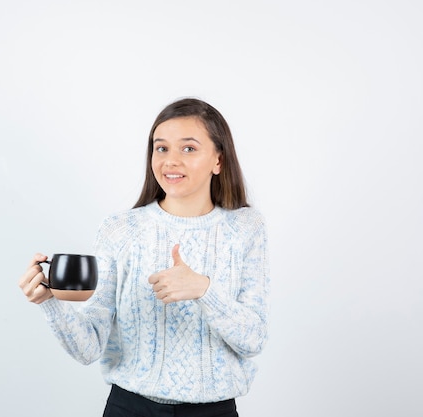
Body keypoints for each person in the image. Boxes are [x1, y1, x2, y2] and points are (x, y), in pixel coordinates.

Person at [19, 98, 270, 417]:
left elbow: (253, 340)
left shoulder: (246, 228)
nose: (171, 161)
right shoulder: (119, 230)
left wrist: (203, 290)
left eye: (188, 149)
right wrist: (50, 301)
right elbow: (88, 348)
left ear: (218, 160)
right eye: (161, 148)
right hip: (130, 408)